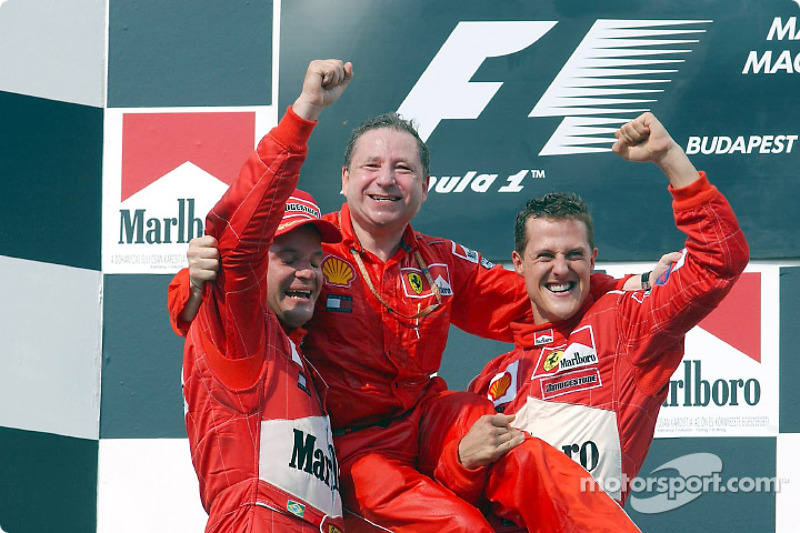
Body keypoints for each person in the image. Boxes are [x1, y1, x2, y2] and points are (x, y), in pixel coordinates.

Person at [170, 61, 647, 531]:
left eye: (403, 168)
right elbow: (233, 278)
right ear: (343, 179)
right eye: (371, 166)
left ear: (425, 187)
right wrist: (189, 283)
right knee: (460, 528)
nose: (386, 179)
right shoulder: (310, 249)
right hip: (356, 447)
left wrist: (630, 285)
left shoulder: (439, 260)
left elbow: (534, 294)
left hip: (427, 420)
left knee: (519, 450)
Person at [469, 112, 749, 504]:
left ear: (594, 258)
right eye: (545, 255)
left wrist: (668, 156)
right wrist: (461, 461)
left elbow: (720, 258)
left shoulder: (625, 325)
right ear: (518, 263)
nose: (561, 268)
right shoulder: (491, 379)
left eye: (575, 255)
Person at [181, 59, 352, 532]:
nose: (308, 272)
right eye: (290, 256)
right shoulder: (241, 330)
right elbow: (240, 235)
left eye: (317, 262)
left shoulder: (300, 356)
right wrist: (305, 113)